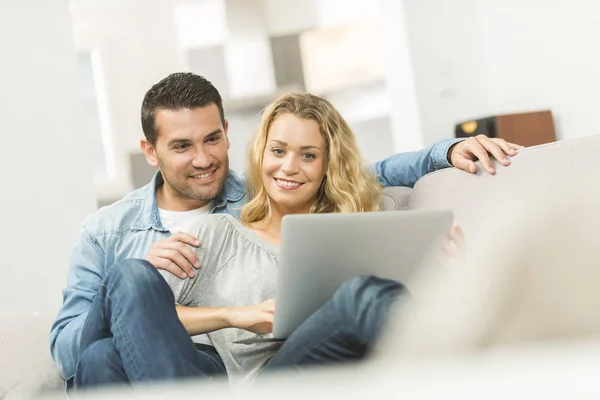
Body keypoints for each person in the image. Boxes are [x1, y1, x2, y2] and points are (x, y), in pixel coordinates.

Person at [50, 72, 522, 385]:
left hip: (279, 371)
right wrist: (222, 312)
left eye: (213, 139)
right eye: (182, 146)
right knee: (115, 316)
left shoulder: (257, 196)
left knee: (366, 295)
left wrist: (442, 154)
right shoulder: (111, 230)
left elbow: (366, 172)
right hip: (178, 368)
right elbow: (75, 350)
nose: (203, 159)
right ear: (150, 151)